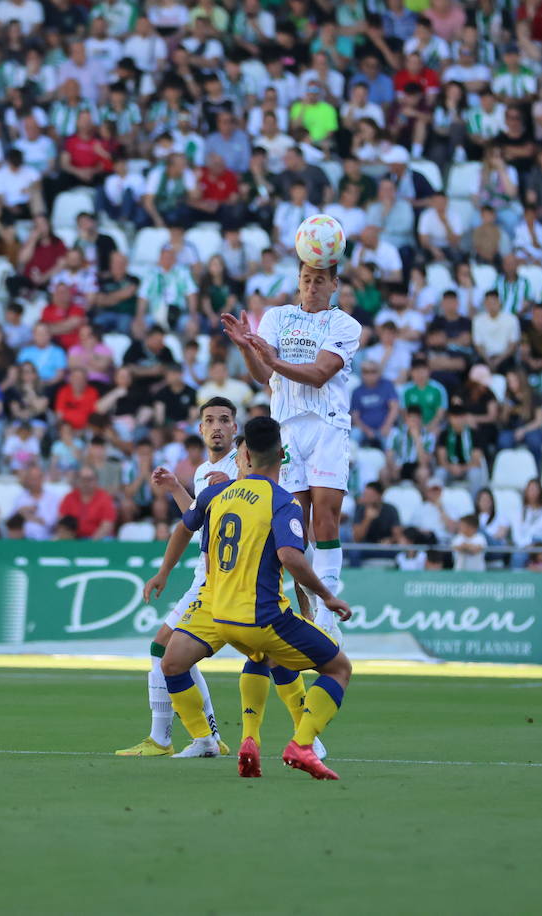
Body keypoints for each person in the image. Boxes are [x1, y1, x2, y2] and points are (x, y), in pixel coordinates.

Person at [144, 416, 353, 779]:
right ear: (283, 456)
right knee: (336, 667)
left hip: (219, 610)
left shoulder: (215, 494)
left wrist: (164, 571)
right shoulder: (284, 502)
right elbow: (291, 557)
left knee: (176, 661)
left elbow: (185, 525)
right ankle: (303, 742)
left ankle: (245, 738)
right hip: (259, 611)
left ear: (247, 457)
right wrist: (327, 597)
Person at [221, 244, 362, 647]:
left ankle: (327, 616)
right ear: (298, 282)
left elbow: (319, 374)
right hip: (286, 430)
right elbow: (262, 374)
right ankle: (302, 611)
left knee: (325, 519)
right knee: (293, 527)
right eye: (306, 279)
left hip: (327, 426)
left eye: (320, 280)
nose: (312, 286)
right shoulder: (278, 317)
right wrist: (248, 349)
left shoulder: (344, 325)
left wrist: (272, 359)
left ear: (334, 284)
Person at [115, 398, 239, 758]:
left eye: (224, 420)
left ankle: (165, 738)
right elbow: (196, 518)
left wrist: (232, 484)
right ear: (200, 429)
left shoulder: (241, 466)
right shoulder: (202, 472)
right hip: (204, 574)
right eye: (210, 421)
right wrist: (174, 488)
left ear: (235, 427)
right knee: (174, 653)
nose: (217, 426)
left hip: (221, 578)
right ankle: (208, 736)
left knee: (163, 649)